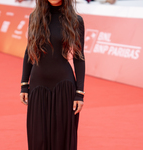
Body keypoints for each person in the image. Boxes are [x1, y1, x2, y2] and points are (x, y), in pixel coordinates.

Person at [19, 0, 85, 149]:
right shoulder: (35, 17)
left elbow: (79, 57)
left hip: (64, 86)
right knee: (38, 138)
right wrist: (24, 84)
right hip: (38, 86)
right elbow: (29, 51)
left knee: (61, 139)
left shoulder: (75, 20)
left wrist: (79, 93)